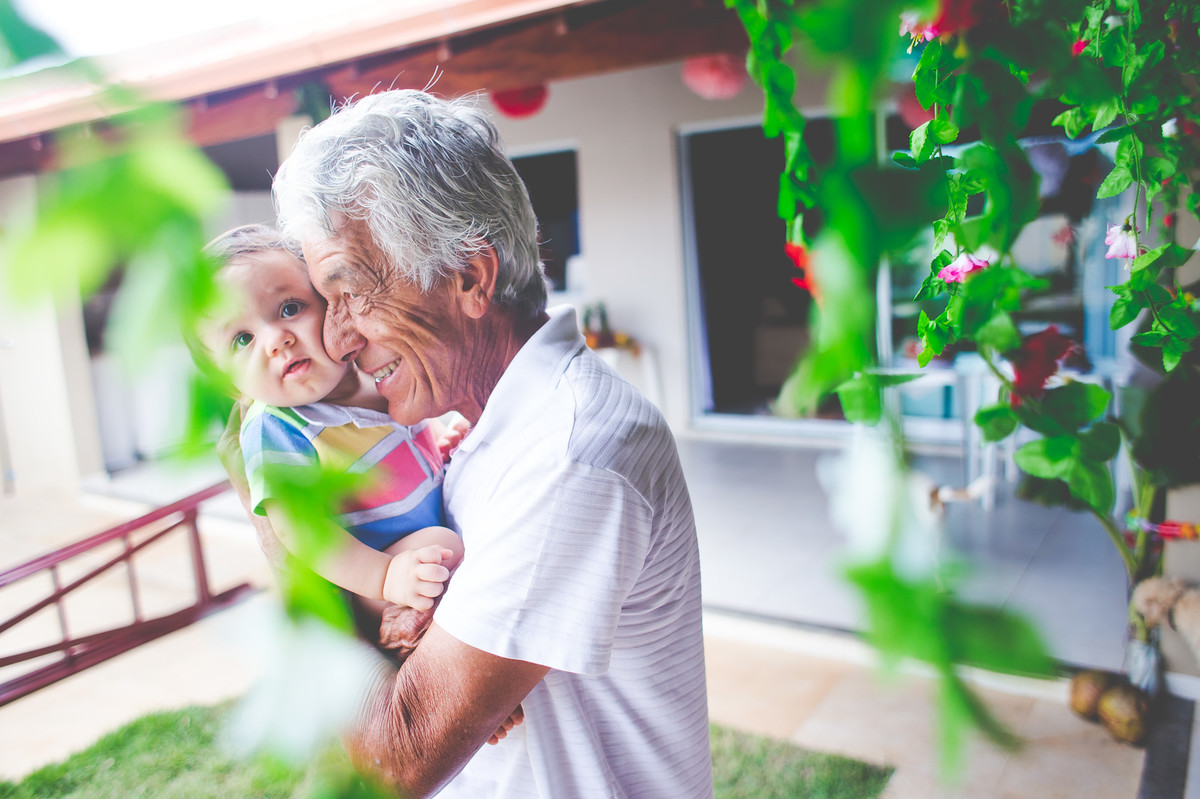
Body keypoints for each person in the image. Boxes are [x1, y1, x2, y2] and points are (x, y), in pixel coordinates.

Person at [270, 89, 712, 798]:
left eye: (350, 293)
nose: (338, 337)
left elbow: (394, 758)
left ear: (469, 277)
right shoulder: (465, 425)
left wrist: (275, 505)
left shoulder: (569, 455)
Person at [192, 224, 464, 614]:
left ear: (332, 305)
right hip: (376, 574)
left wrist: (439, 443)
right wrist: (384, 577)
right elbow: (301, 532)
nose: (276, 340)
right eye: (242, 339)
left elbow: (404, 439)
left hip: (415, 546)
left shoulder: (378, 371)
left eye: (290, 308)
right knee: (443, 547)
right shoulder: (276, 429)